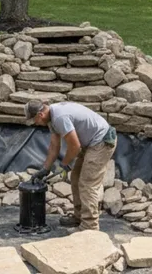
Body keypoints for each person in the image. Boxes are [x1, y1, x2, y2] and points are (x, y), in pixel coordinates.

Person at [26, 99, 117, 230]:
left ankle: (90, 226)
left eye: (35, 121)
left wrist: (64, 165)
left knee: (87, 183)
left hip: (102, 142)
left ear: (40, 115)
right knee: (75, 177)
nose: (36, 124)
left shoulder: (59, 118)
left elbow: (75, 146)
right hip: (91, 143)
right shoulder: (51, 117)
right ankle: (79, 216)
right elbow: (54, 146)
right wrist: (45, 169)